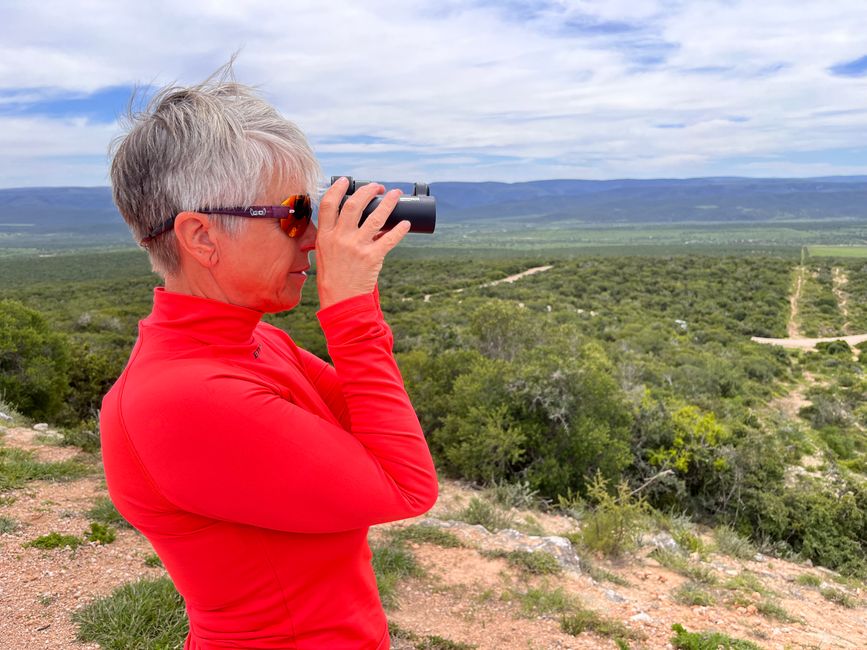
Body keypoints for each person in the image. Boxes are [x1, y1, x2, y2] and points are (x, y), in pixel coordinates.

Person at [100, 67, 439, 650]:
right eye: (291, 213)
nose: (310, 237)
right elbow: (407, 485)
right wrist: (350, 309)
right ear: (200, 237)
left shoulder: (252, 343)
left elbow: (377, 439)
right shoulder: (184, 396)